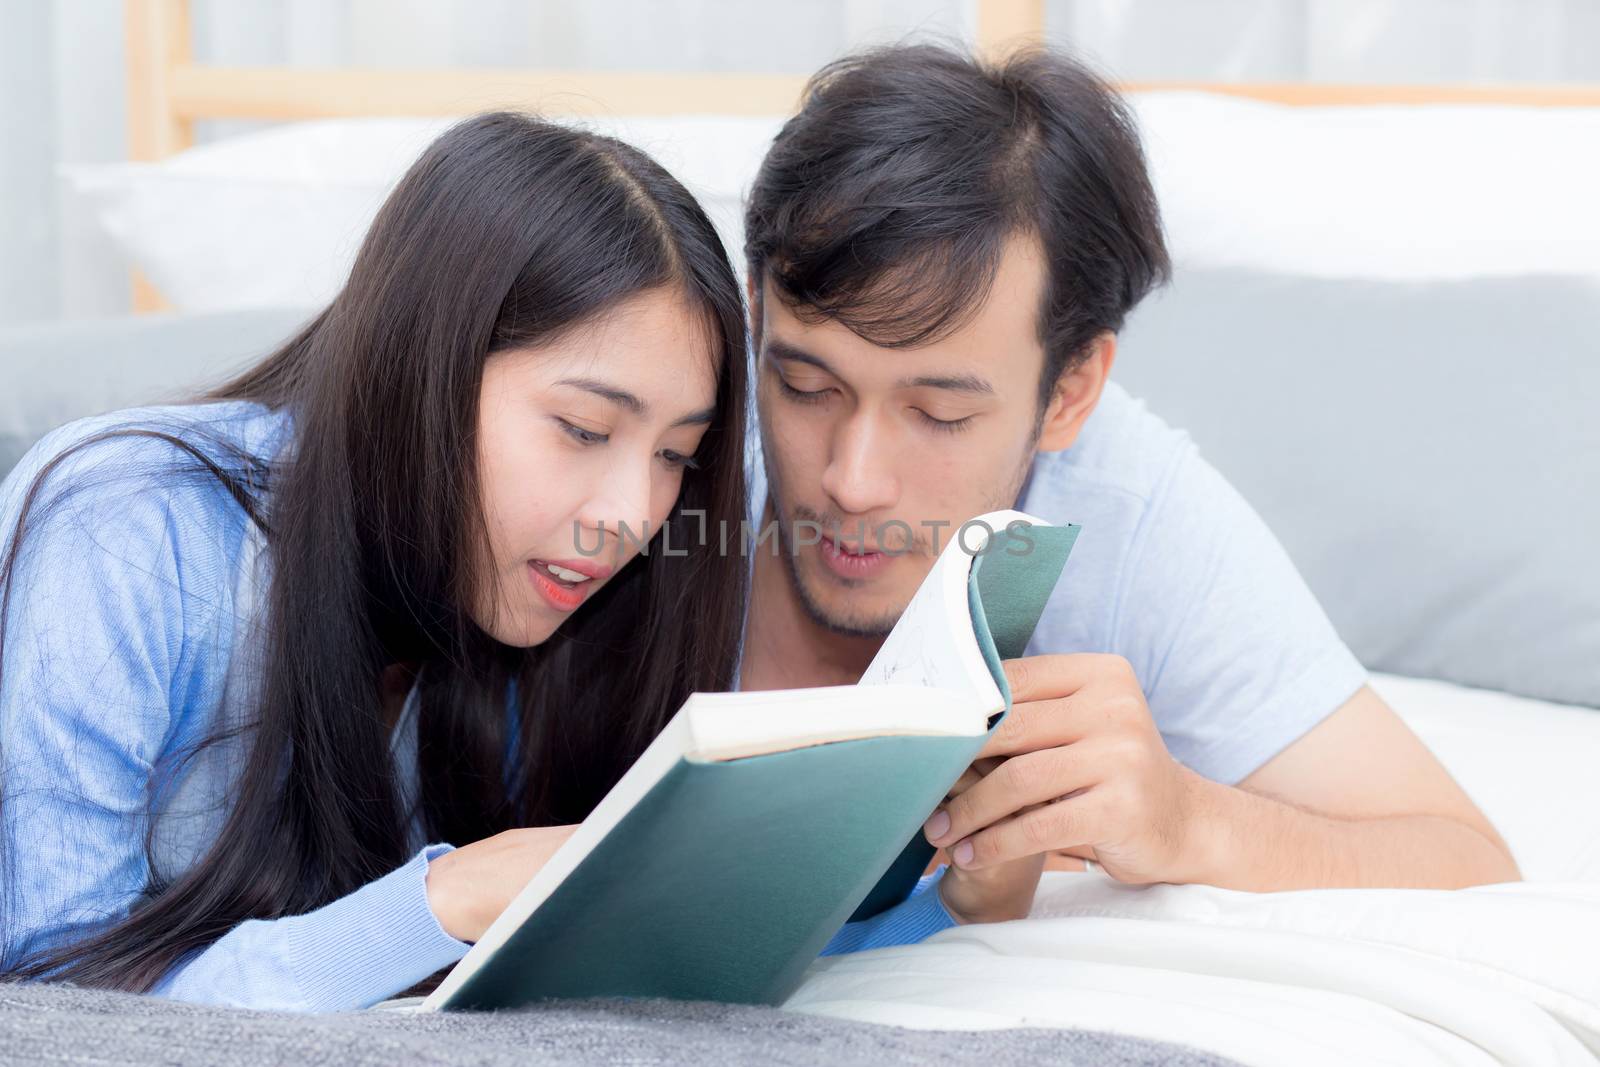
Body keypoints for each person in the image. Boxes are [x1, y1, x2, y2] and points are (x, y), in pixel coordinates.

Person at [736, 44, 1520, 932]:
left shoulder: (1137, 516)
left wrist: (1191, 820)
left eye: (940, 414)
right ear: (756, 314)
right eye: (805, 387)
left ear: (1069, 391)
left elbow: (1470, 866)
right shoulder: (668, 428)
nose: (852, 479)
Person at [0, 112, 771, 1011]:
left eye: (676, 454)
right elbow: (47, 1007)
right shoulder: (126, 530)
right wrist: (442, 901)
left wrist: (946, 875)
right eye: (584, 429)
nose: (632, 517)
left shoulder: (543, 603)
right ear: (425, 367)